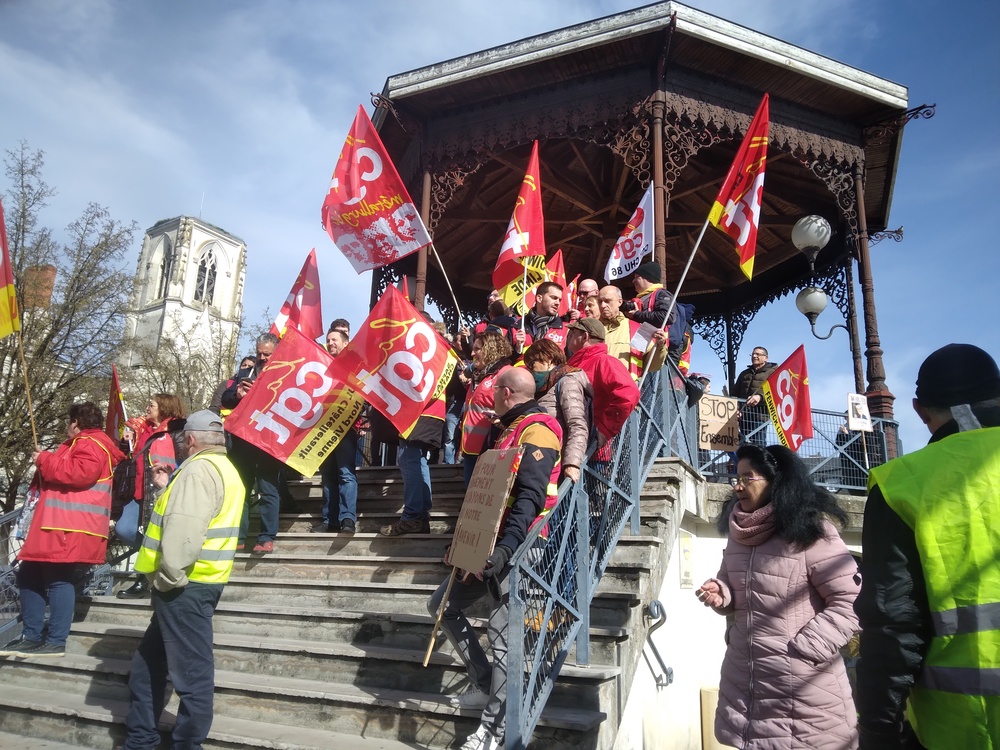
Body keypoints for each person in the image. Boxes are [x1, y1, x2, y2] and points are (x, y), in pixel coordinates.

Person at [855, 343, 1000, 750]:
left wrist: (878, 731)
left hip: (961, 728)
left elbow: (893, 624)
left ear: (920, 411)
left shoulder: (902, 483)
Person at [428, 367, 562, 750]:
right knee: (442, 606)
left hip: (519, 546)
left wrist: (506, 548)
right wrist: (463, 544)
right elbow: (485, 498)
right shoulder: (508, 429)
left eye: (494, 390)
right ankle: (486, 684)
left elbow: (531, 497)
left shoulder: (538, 429)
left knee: (503, 637)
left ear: (505, 392)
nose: (488, 397)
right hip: (489, 545)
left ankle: (494, 729)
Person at [697, 443, 860, 749]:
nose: (737, 486)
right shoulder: (738, 535)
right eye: (735, 477)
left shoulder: (812, 532)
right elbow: (731, 584)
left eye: (747, 478)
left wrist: (803, 651)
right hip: (745, 681)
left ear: (777, 482)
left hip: (803, 687)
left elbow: (851, 601)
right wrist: (722, 593)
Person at [118, 410, 246, 750]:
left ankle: (182, 744)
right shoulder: (225, 468)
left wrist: (167, 578)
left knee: (190, 674)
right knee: (149, 664)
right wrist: (167, 487)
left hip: (183, 586)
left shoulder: (198, 470)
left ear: (190, 439)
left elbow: (184, 532)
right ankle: (140, 739)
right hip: (195, 584)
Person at [2, 402, 125, 658]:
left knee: (58, 578)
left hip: (68, 524)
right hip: (59, 523)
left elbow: (79, 473)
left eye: (68, 422)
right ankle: (32, 636)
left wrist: (45, 459)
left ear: (75, 422)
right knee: (29, 576)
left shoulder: (90, 443)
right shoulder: (88, 443)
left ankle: (55, 640)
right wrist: (47, 460)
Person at [118, 393, 186, 599]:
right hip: (137, 489)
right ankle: (152, 561)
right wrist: (125, 442)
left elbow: (184, 459)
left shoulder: (176, 430)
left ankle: (144, 579)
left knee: (155, 533)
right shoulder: (140, 429)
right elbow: (129, 456)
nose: (147, 408)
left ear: (164, 408)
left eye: (151, 405)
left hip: (160, 491)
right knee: (124, 529)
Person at [221, 332, 282, 554]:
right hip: (242, 442)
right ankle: (239, 537)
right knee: (241, 489)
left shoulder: (285, 374)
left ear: (277, 353)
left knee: (268, 490)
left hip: (267, 442)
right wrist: (237, 395)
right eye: (259, 353)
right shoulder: (244, 373)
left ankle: (266, 537)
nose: (262, 358)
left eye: (267, 354)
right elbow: (225, 399)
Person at [313, 329, 359, 534]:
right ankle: (329, 520)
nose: (330, 343)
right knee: (328, 475)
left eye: (334, 340)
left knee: (346, 473)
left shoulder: (354, 365)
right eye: (328, 340)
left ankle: (347, 518)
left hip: (345, 428)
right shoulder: (321, 366)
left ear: (345, 343)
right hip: (322, 429)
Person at [458, 331, 514, 486]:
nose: (472, 354)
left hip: (491, 450)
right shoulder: (480, 375)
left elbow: (513, 410)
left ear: (491, 349)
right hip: (471, 449)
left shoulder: (505, 374)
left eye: (477, 349)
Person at [597, 284, 665, 380]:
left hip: (626, 386)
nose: (603, 305)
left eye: (607, 301)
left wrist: (660, 346)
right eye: (600, 301)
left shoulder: (636, 329)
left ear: (620, 302)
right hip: (595, 386)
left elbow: (652, 366)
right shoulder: (591, 328)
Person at [732, 346, 778, 447]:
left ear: (766, 358)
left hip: (760, 415)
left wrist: (760, 397)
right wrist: (736, 409)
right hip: (744, 415)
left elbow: (776, 392)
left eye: (757, 354)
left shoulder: (773, 373)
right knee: (745, 445)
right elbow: (734, 393)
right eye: (753, 354)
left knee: (758, 444)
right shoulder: (744, 374)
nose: (754, 356)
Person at [513, 281, 566, 352]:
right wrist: (517, 348)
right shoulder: (517, 327)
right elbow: (504, 357)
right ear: (539, 298)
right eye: (554, 298)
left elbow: (572, 358)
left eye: (559, 300)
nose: (557, 303)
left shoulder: (566, 330)